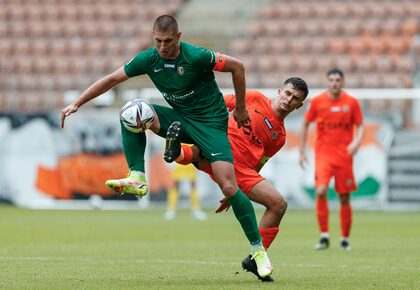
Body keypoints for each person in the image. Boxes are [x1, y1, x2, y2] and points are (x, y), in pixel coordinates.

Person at [60, 15, 272, 278]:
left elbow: (237, 67)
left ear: (179, 37)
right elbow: (113, 79)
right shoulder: (148, 59)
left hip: (211, 125)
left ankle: (258, 250)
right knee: (132, 112)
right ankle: (137, 176)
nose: (162, 47)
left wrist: (240, 109)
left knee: (229, 186)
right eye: (158, 41)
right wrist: (77, 103)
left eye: (168, 41)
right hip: (180, 119)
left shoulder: (196, 56)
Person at [164, 78, 309, 281]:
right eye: (287, 93)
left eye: (295, 98)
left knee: (278, 204)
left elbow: (260, 163)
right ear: (279, 91)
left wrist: (235, 191)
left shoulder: (280, 136)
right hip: (220, 148)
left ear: (299, 105)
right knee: (201, 151)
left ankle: (256, 258)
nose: (288, 99)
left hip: (240, 171)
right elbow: (219, 104)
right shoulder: (255, 98)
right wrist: (206, 128)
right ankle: (176, 150)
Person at [298, 68, 364, 251]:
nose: (334, 83)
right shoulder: (318, 101)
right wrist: (302, 151)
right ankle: (324, 235)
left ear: (342, 82)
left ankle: (344, 238)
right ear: (327, 82)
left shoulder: (352, 102)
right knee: (320, 191)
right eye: (331, 80)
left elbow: (360, 125)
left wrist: (356, 142)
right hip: (324, 155)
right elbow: (304, 124)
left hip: (344, 156)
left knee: (344, 197)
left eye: (337, 80)